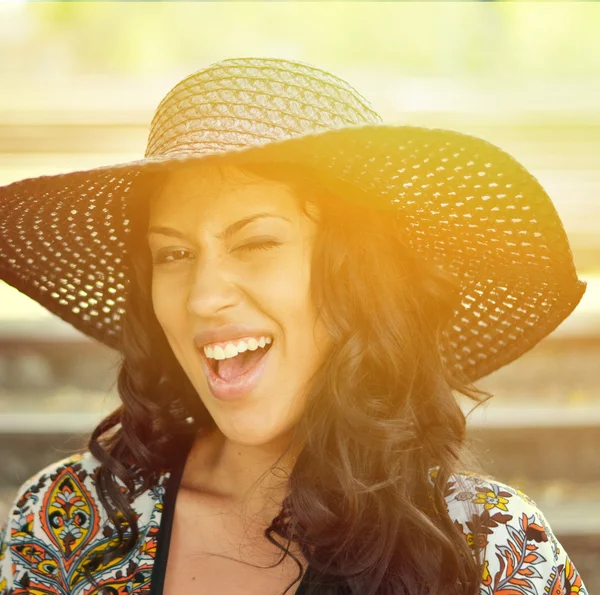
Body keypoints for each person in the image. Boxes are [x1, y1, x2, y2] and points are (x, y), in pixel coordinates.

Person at [0, 57, 589, 595]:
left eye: (256, 242)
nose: (204, 298)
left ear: (358, 278)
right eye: (174, 254)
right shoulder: (69, 521)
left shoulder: (492, 551)